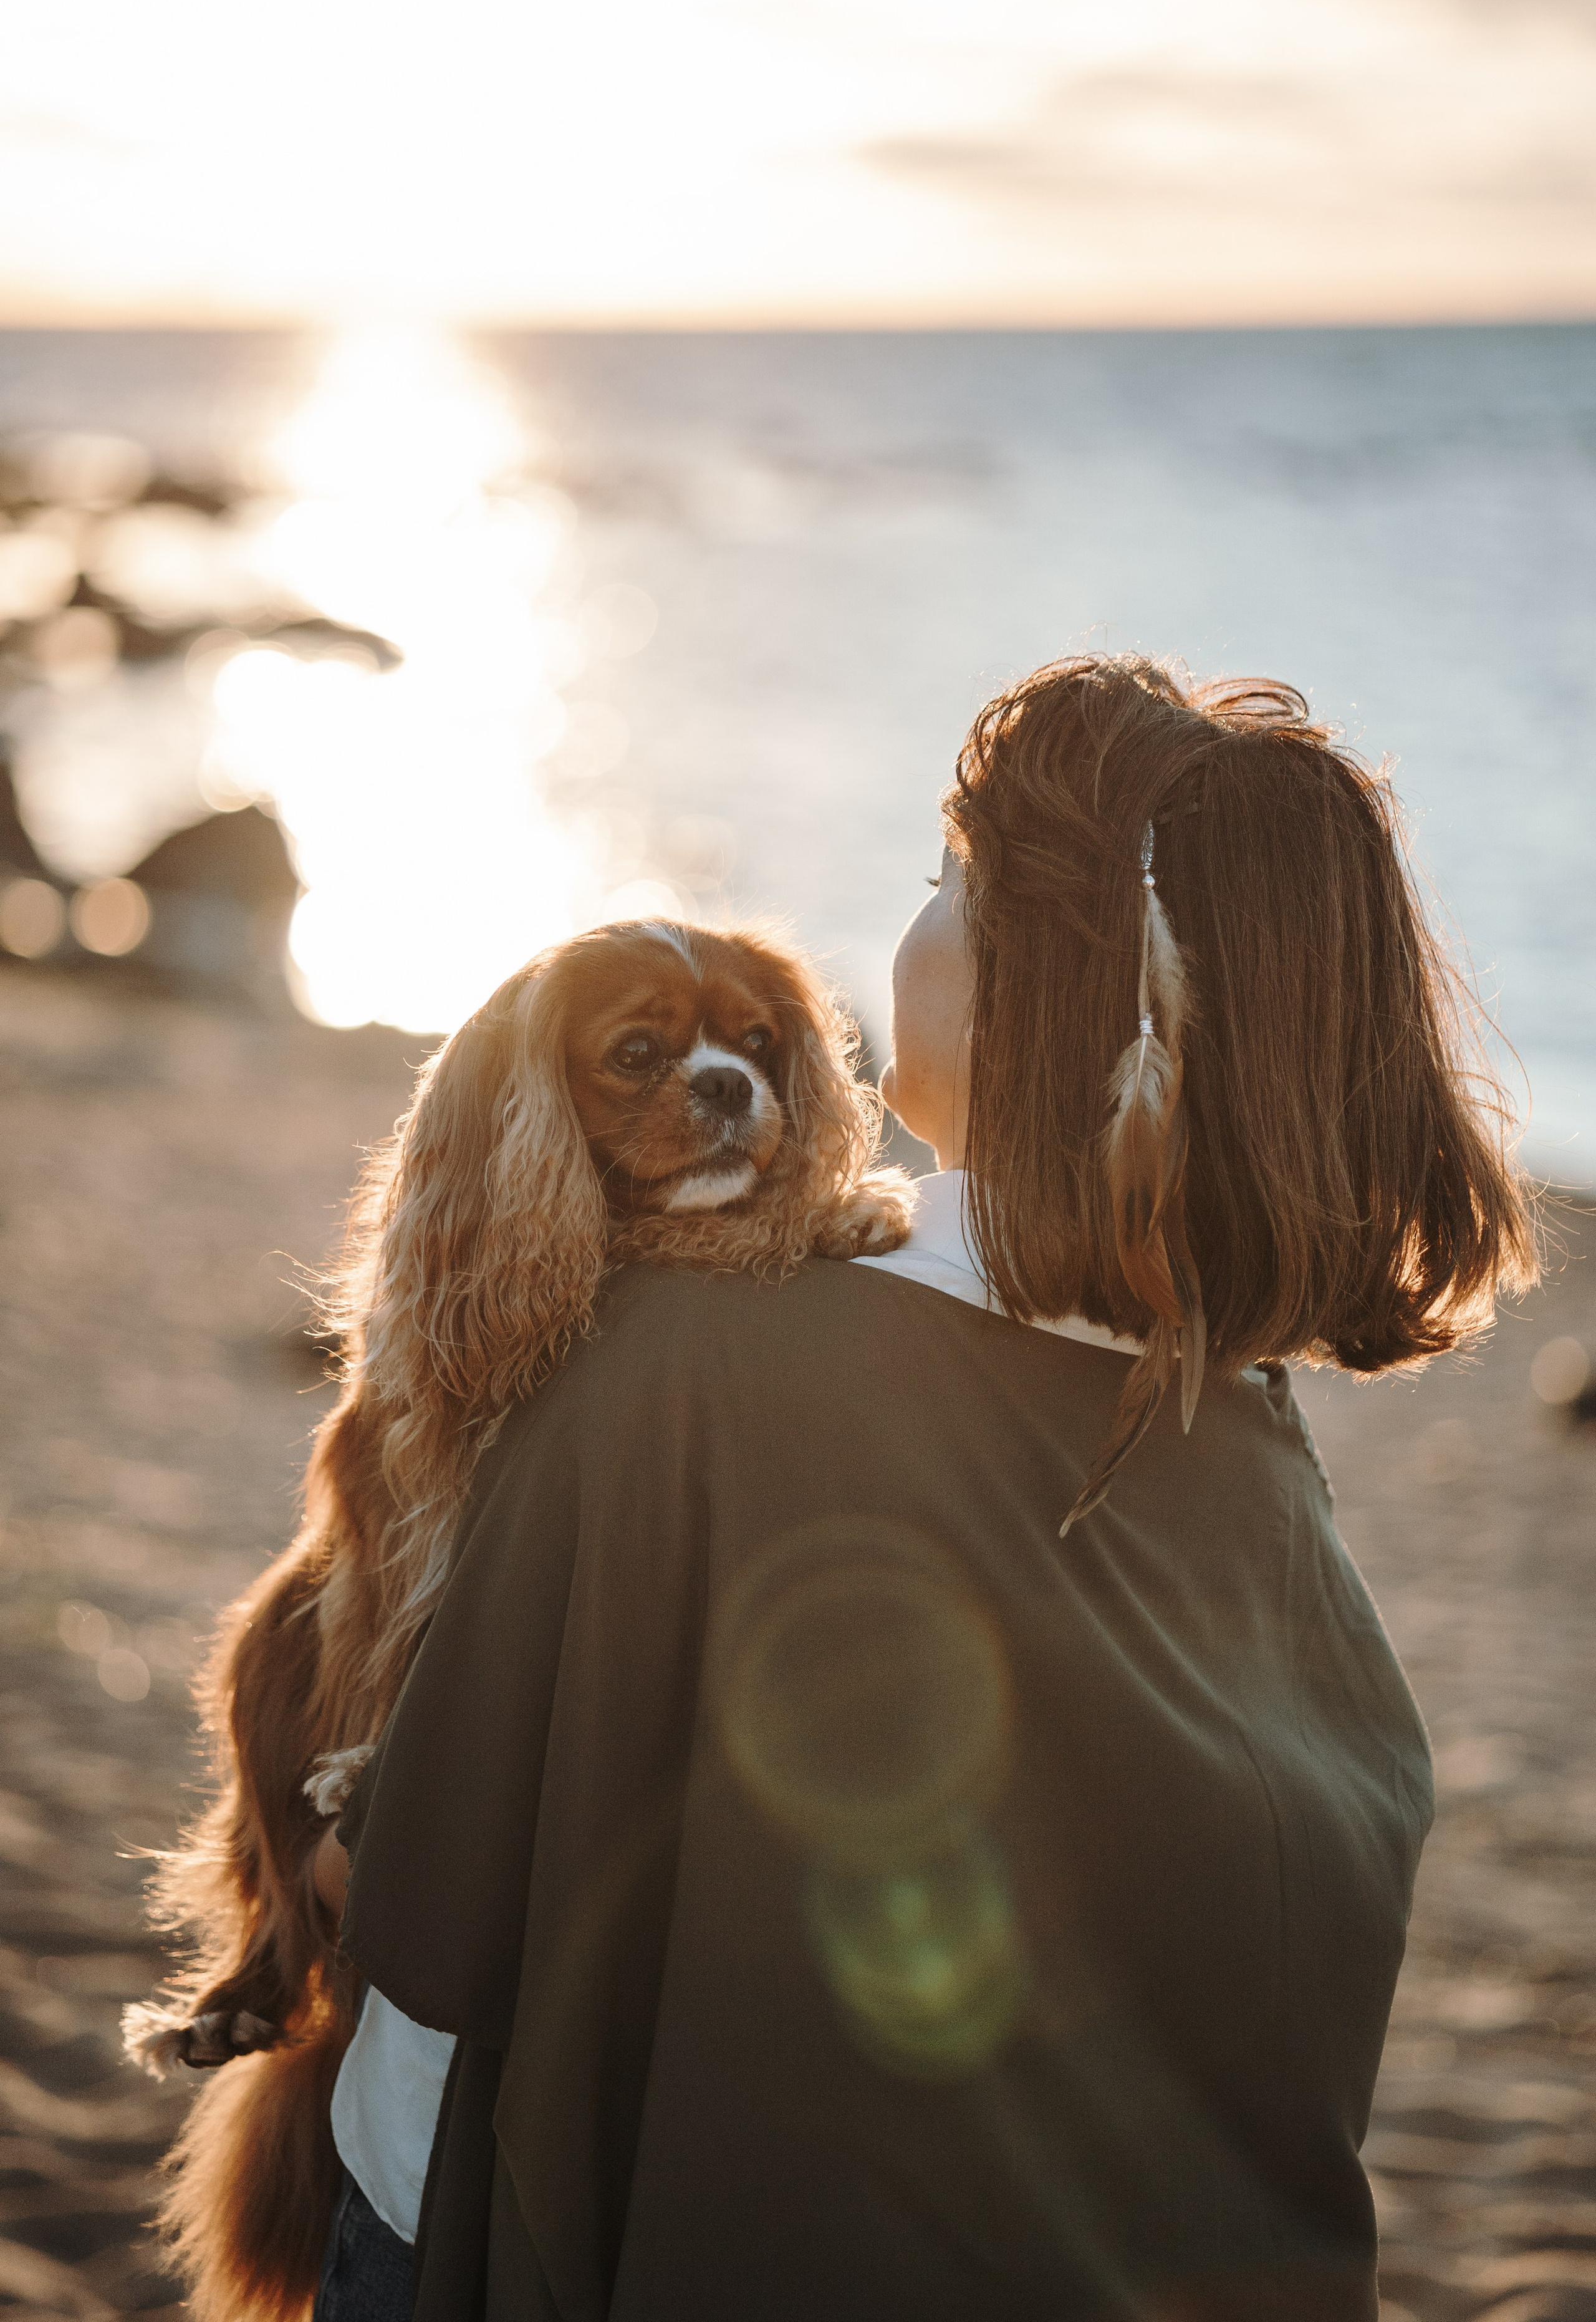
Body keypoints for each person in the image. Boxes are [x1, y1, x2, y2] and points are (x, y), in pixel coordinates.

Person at [319, 655, 1534, 2321]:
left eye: (943, 889)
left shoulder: (683, 1368)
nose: (904, 940)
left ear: (1032, 996)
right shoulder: (1256, 1469)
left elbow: (432, 1949)